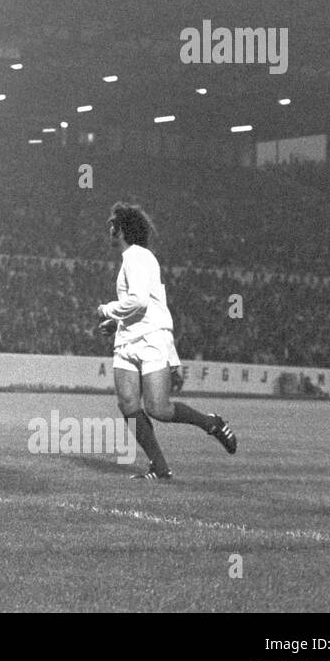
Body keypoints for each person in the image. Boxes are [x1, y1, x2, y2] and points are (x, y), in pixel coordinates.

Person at [97, 202, 237, 480]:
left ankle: (211, 423)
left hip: (150, 339)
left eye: (112, 224)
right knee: (127, 403)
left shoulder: (138, 256)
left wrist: (106, 309)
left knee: (158, 408)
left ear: (122, 230)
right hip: (129, 338)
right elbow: (141, 304)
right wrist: (117, 323)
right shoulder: (133, 258)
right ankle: (160, 468)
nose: (109, 229)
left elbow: (137, 300)